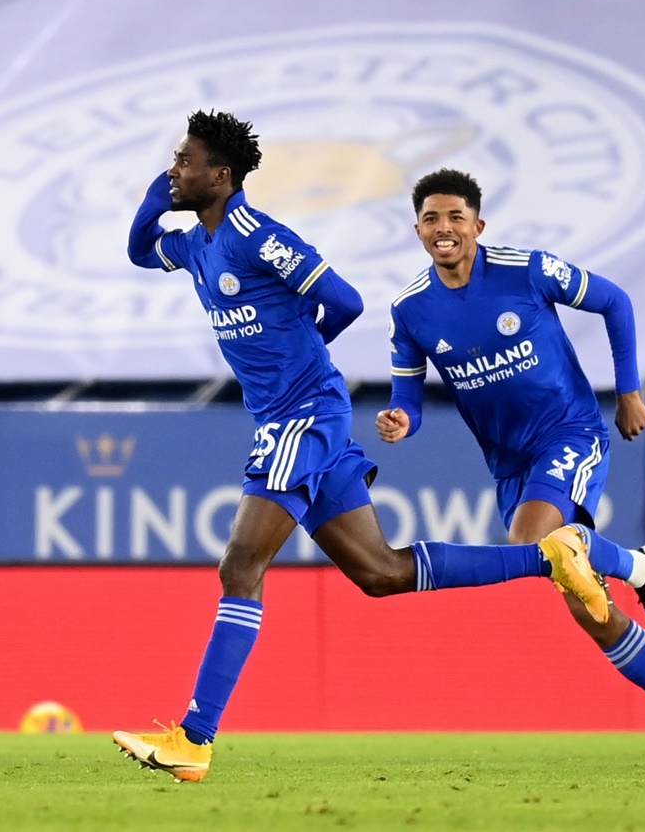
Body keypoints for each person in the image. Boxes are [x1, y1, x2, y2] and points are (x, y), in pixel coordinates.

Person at [114, 111, 613, 782]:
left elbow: (343, 300)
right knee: (380, 574)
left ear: (221, 176)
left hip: (305, 416)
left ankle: (194, 738)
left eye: (185, 160)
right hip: (283, 419)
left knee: (240, 565)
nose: (176, 167)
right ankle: (548, 556)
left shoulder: (257, 237)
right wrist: (156, 197)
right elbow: (142, 251)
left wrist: (304, 354)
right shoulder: (199, 245)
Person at [376, 168, 645, 764]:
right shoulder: (411, 311)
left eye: (456, 217)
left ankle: (641, 567)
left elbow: (614, 300)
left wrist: (630, 391)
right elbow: (407, 399)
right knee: (580, 599)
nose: (444, 228)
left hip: (570, 431)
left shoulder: (526, 269)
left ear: (478, 225)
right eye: (432, 219)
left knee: (534, 540)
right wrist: (399, 421)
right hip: (509, 464)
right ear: (416, 230)